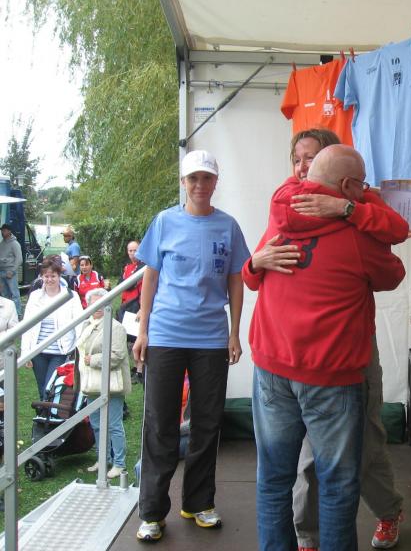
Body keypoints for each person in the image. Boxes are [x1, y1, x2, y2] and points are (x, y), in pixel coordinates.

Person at [245, 145, 406, 551]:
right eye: (361, 185)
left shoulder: (280, 211)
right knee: (337, 485)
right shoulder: (358, 237)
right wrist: (358, 207)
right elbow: (394, 272)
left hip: (272, 367)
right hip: (331, 377)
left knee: (273, 480)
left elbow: (252, 275)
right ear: (349, 186)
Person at [132, 149, 250, 543]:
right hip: (166, 335)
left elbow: (236, 280)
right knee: (160, 424)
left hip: (211, 339)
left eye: (207, 178)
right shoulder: (165, 221)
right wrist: (143, 331)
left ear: (216, 182)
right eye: (193, 178)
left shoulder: (228, 226)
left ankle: (198, 503)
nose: (200, 185)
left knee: (207, 423)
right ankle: (152, 512)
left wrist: (234, 332)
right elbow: (150, 278)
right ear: (183, 182)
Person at [77, 287, 130, 479]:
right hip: (92, 383)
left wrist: (92, 360)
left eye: (102, 303)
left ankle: (119, 463)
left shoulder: (116, 327)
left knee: (113, 424)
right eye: (94, 304)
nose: (98, 307)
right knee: (97, 424)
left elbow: (117, 356)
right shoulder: (86, 325)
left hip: (111, 384)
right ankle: (103, 459)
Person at [21, 258, 84, 400]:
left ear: (59, 276)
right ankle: (44, 412)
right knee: (42, 388)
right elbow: (27, 326)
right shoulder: (35, 296)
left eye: (53, 276)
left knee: (50, 388)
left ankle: (48, 411)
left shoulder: (71, 296)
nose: (49, 280)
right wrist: (26, 353)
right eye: (46, 276)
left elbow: (79, 324)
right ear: (41, 277)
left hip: (60, 351)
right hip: (38, 351)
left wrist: (79, 349)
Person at [117, 240, 145, 319]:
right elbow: (119, 284)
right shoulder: (127, 267)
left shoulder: (144, 265)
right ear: (128, 252)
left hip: (136, 305)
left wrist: (125, 283)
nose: (133, 253)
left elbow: (130, 285)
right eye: (130, 251)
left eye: (135, 250)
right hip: (125, 304)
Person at [0, 223, 23, 317]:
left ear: (9, 231)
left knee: (14, 294)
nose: (2, 232)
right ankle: (7, 314)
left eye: (4, 230)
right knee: (4, 295)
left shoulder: (15, 244)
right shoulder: (2, 243)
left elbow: (19, 259)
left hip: (10, 272)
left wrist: (12, 271)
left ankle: (18, 314)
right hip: (1, 272)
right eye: (2, 230)